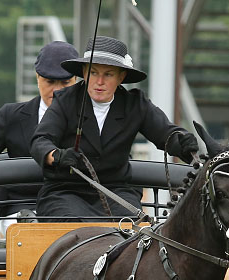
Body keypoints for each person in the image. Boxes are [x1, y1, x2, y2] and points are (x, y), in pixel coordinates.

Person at [30, 36, 199, 219]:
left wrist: (182, 141)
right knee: (73, 225)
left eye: (108, 74)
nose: (99, 81)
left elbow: (167, 134)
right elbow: (41, 140)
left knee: (130, 229)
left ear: (121, 77)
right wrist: (57, 156)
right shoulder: (65, 100)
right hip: (65, 191)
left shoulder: (135, 104)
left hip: (116, 191)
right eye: (93, 73)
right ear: (84, 73)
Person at [0, 40, 79, 222]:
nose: (57, 90)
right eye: (50, 81)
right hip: (20, 208)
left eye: (65, 82)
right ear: (37, 78)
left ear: (76, 80)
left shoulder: (92, 118)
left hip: (77, 207)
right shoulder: (11, 116)